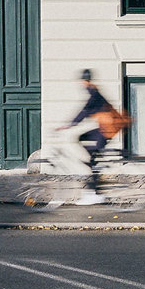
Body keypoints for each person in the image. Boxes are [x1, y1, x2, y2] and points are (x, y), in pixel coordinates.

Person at [57, 69, 116, 206]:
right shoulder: (93, 91)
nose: (81, 83)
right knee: (82, 139)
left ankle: (95, 193)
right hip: (105, 127)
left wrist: (69, 125)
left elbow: (85, 110)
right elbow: (86, 111)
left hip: (108, 129)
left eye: (82, 81)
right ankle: (92, 163)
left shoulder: (93, 94)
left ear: (84, 81)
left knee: (92, 160)